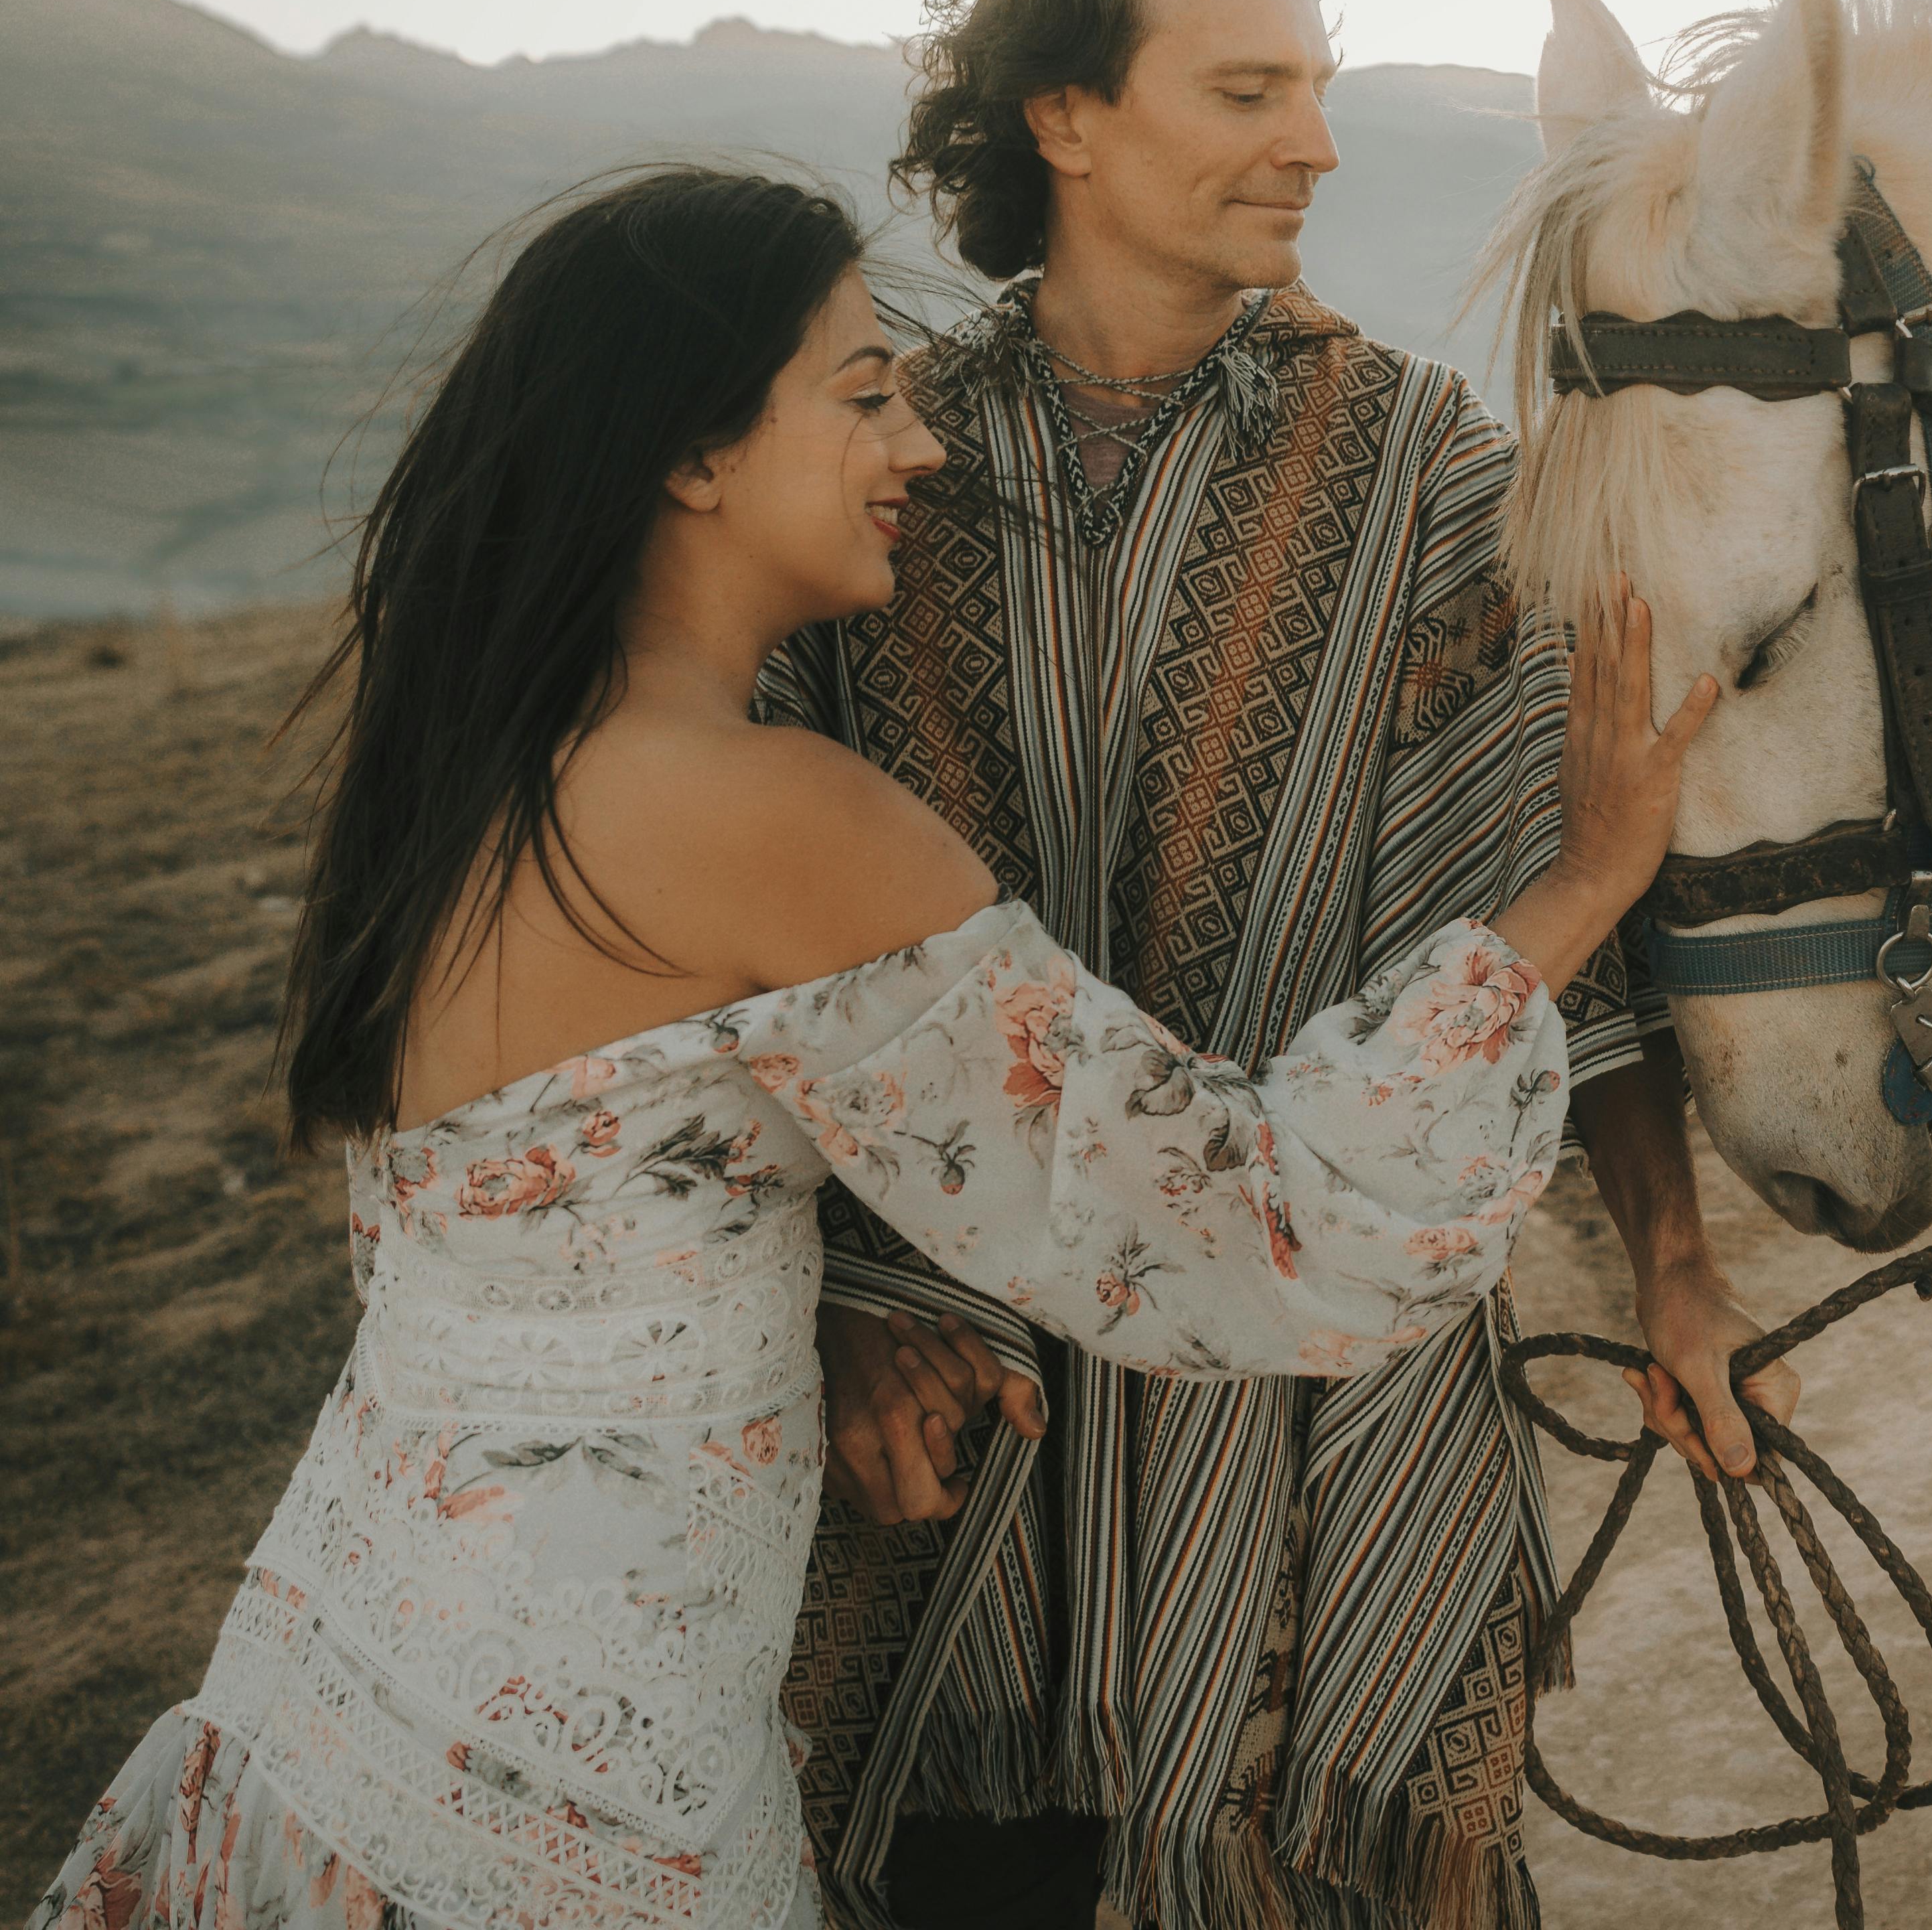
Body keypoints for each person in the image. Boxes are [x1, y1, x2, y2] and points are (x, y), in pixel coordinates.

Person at [23, 167, 1712, 1930]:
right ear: (690, 453)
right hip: (565, 1816)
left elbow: (594, 1225)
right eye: (859, 396)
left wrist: (827, 1305)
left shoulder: (473, 779)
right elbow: (1232, 1238)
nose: (919, 444)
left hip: (324, 1717)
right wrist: (1580, 883)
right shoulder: (770, 815)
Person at [754, 0, 1788, 1930]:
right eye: (1248, 88)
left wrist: (1675, 1265)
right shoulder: (873, 482)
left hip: (1342, 1429)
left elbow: (1563, 936)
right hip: (965, 1458)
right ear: (1064, 110)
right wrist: (841, 1316)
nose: (1311, 142)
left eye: (1316, 86)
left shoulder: (1435, 478)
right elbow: (746, 976)